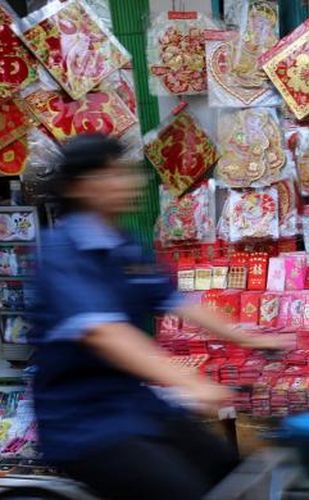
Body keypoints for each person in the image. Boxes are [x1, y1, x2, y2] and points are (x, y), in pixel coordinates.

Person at [30, 134, 291, 500]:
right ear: (78, 187)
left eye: (127, 173)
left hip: (134, 406)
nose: (130, 183)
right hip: (85, 426)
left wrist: (250, 337)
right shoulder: (63, 253)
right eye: (112, 175)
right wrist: (191, 382)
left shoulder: (123, 243)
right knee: (182, 490)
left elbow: (176, 299)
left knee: (228, 470)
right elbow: (104, 333)